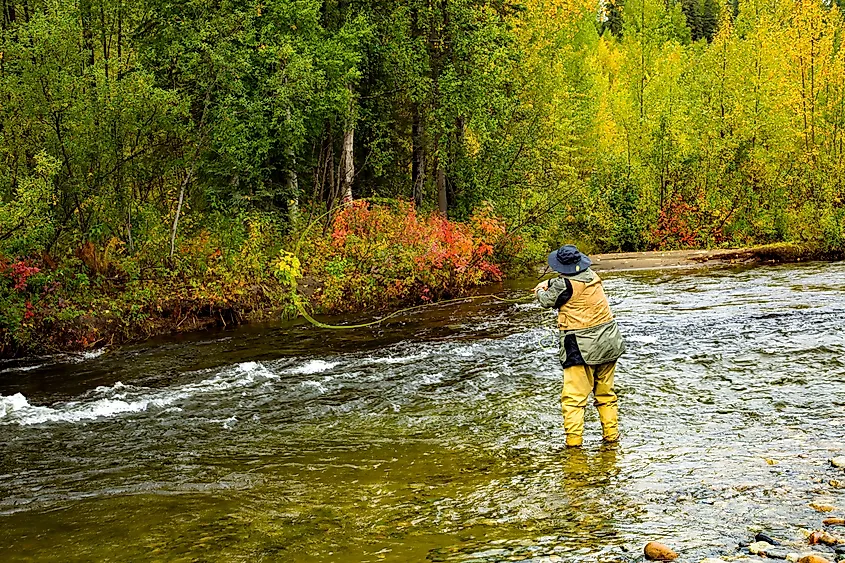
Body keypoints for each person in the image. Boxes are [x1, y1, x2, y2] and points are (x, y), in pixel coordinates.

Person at [533, 244, 625, 447]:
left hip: (581, 347)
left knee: (573, 399)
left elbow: (547, 301)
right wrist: (549, 282)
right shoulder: (592, 275)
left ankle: (574, 447)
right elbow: (566, 282)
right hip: (609, 342)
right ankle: (611, 438)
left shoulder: (563, 285)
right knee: (606, 395)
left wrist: (539, 289)